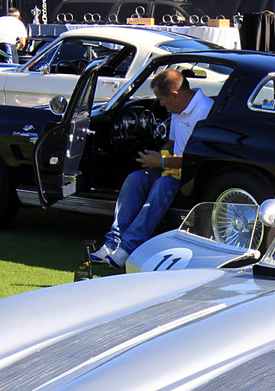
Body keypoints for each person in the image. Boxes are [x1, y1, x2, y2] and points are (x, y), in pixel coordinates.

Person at [89, 68, 212, 268]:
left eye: (162, 99)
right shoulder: (177, 109)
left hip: (192, 175)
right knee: (135, 178)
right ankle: (112, 243)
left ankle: (128, 248)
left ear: (175, 94)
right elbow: (172, 143)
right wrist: (157, 158)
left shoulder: (204, 110)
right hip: (173, 169)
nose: (160, 104)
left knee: (163, 183)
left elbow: (196, 159)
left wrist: (161, 162)